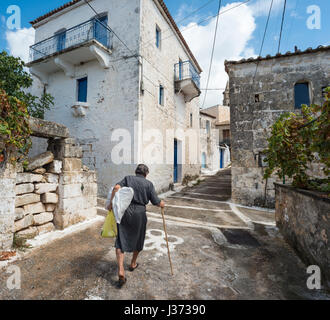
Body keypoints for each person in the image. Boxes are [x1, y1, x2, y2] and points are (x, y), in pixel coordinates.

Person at [108, 164, 165, 288]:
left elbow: (116, 187)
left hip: (125, 211)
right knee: (138, 238)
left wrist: (111, 203)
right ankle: (133, 264)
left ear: (136, 172)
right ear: (146, 174)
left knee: (121, 240)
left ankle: (121, 270)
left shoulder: (128, 178)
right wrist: (162, 203)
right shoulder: (149, 184)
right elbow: (156, 201)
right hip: (140, 213)